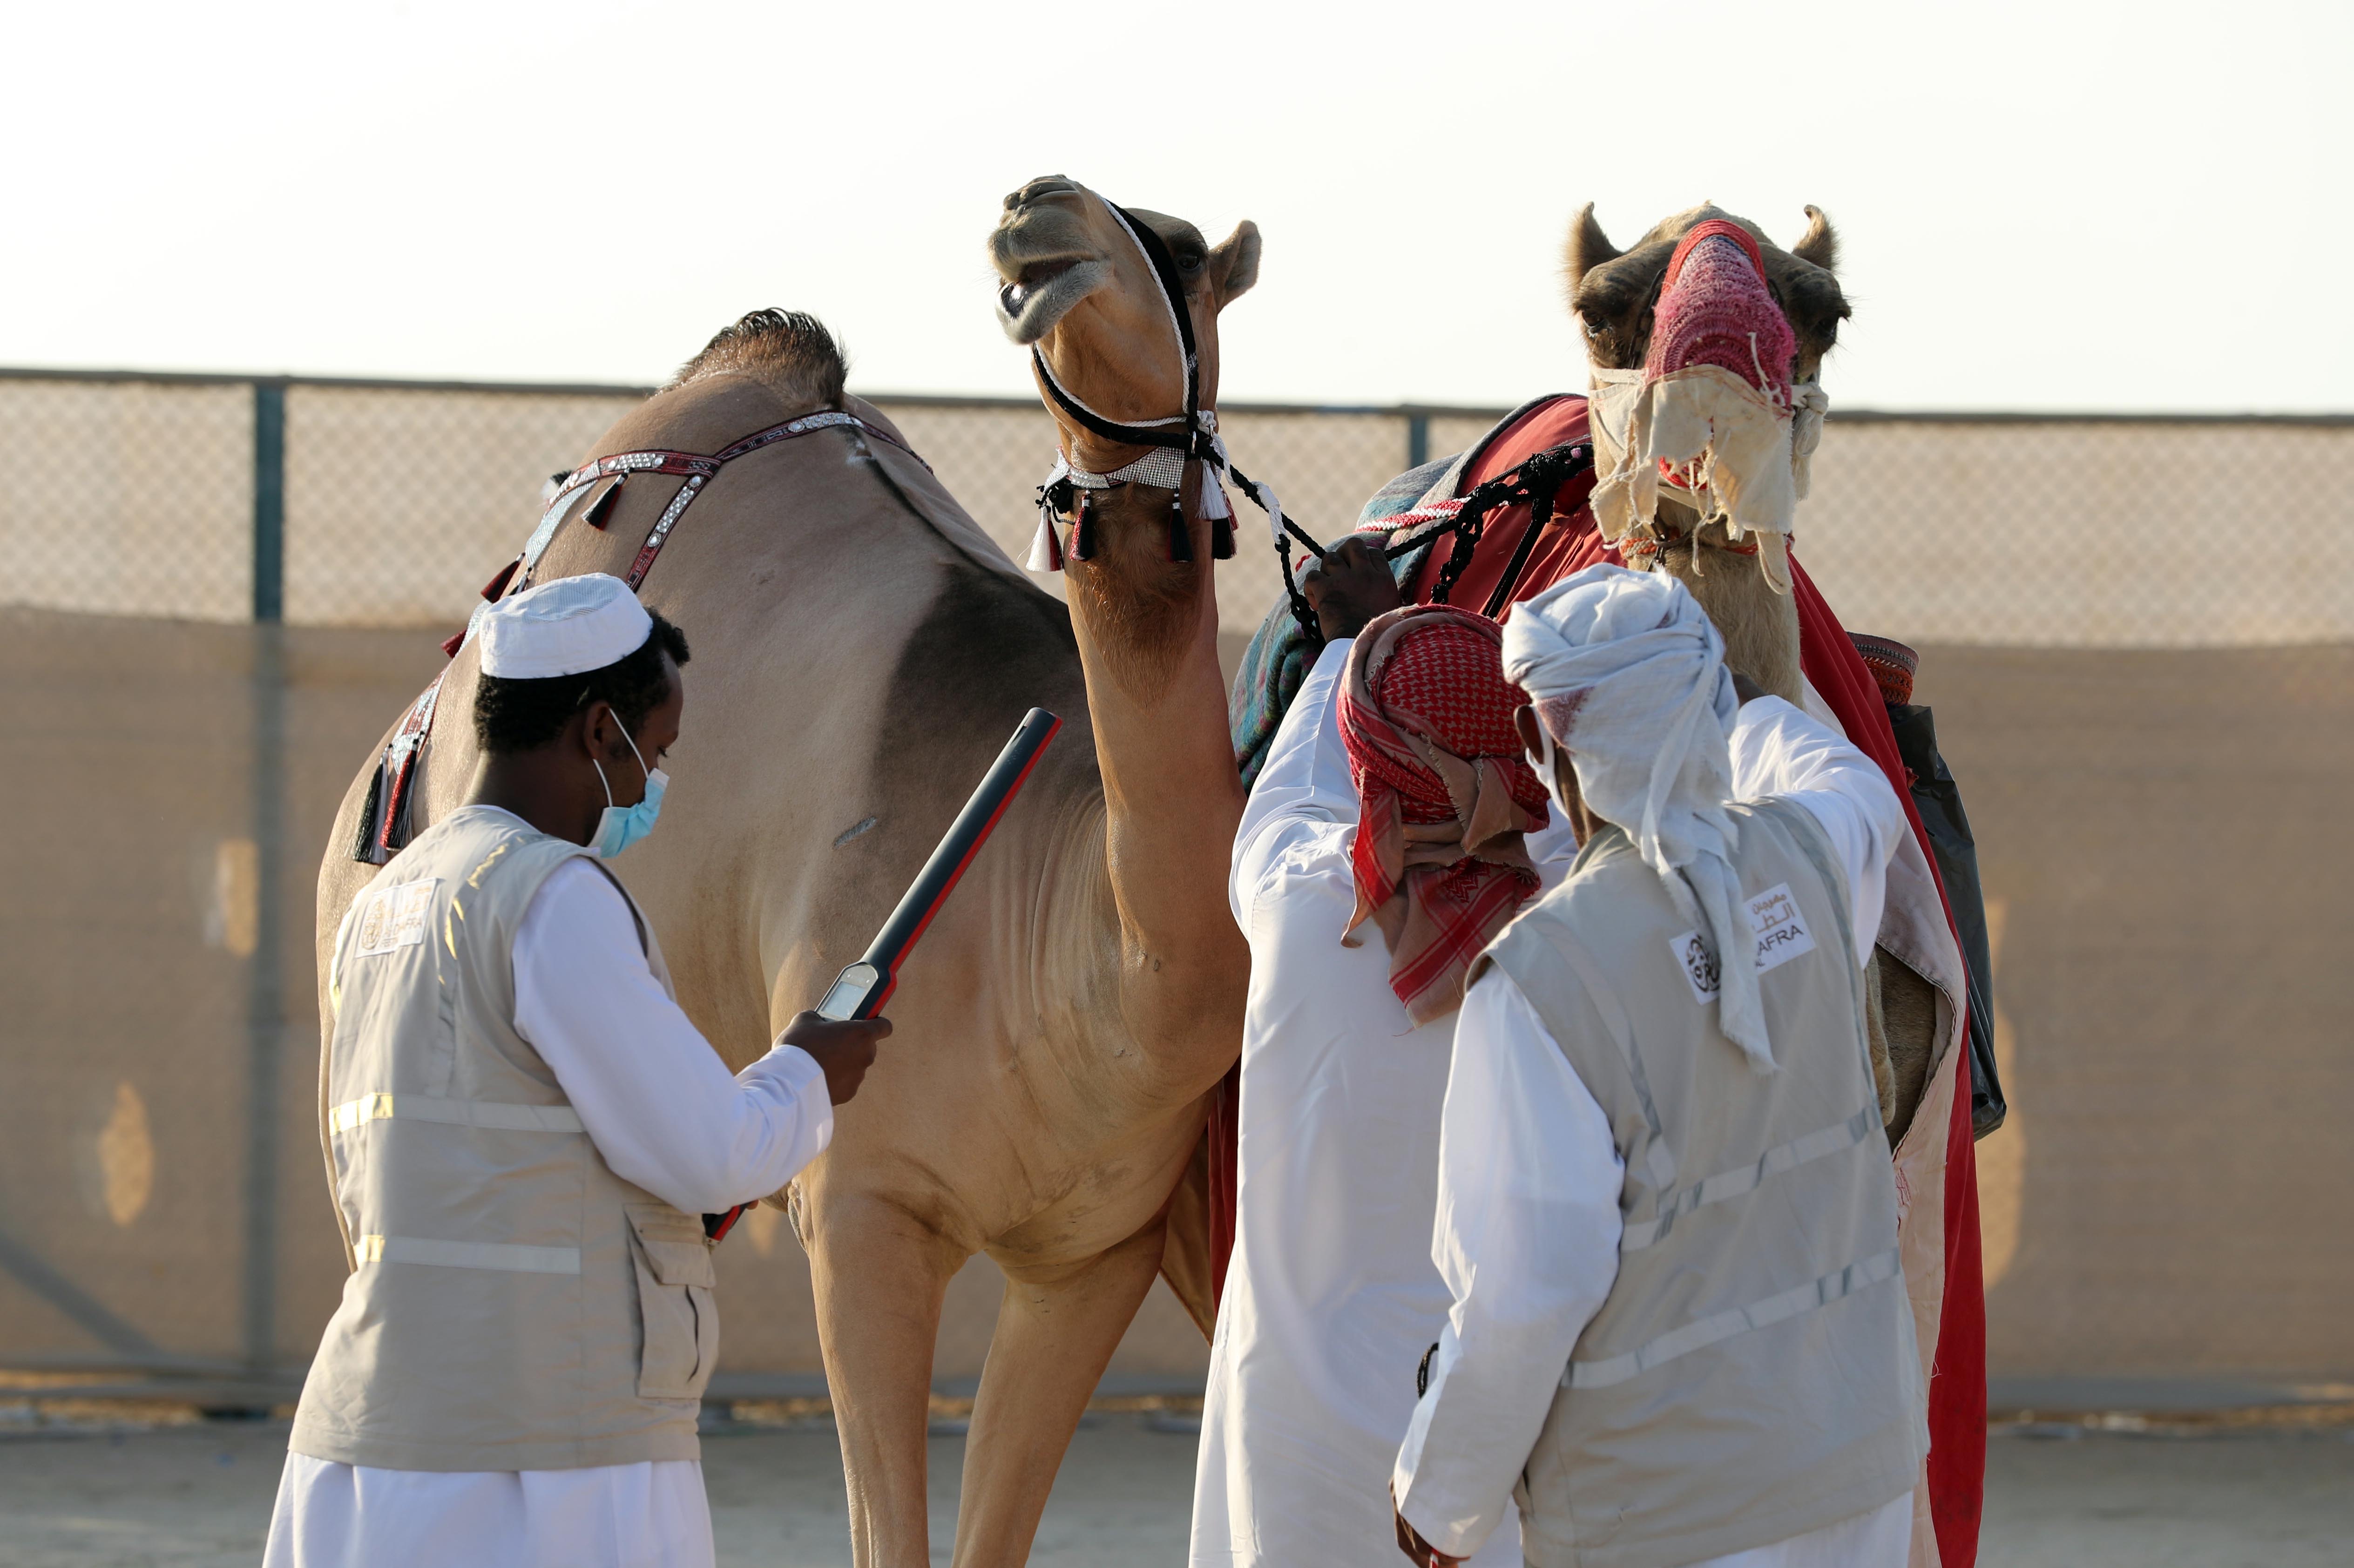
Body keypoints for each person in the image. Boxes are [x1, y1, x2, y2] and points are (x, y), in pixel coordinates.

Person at [267, 574, 888, 1568]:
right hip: (541, 1461)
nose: (652, 787)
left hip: (368, 1438)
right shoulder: (551, 899)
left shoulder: (383, 906)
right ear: (601, 733)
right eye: (657, 752)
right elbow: (714, 1152)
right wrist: (808, 1069)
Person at [1390, 565, 1924, 1568]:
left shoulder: (1543, 980)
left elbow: (1526, 1287)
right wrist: (1716, 693)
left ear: (1540, 748)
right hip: (1857, 1470)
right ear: (1711, 708)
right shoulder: (1812, 860)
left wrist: (1442, 1498)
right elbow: (1852, 783)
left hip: (1669, 1517)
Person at [1191, 540, 1574, 1568]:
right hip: (1474, 1445)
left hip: (1291, 1447)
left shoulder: (1294, 897)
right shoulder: (1571, 926)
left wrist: (1346, 639)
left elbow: (1303, 780)